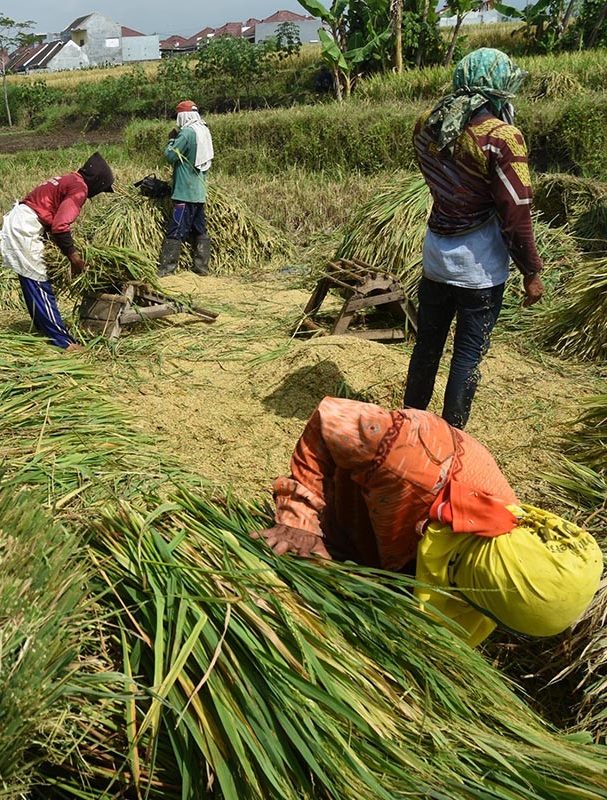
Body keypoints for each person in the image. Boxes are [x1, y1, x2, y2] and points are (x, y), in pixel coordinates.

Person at [251, 397, 601, 646]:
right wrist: (299, 517)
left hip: (393, 536)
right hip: (351, 506)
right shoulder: (408, 457)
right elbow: (330, 417)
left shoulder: (504, 553)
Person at [404, 48, 545, 430]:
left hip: (435, 257)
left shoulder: (425, 126)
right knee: (467, 355)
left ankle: (409, 426)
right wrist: (532, 272)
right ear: (498, 89)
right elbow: (516, 216)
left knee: (426, 348)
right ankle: (452, 439)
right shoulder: (502, 138)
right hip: (479, 268)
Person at [0, 151, 115, 351]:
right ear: (97, 182)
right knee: (39, 283)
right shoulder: (79, 188)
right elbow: (60, 226)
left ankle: (44, 328)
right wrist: (74, 258)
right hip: (25, 228)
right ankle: (64, 343)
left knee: (31, 283)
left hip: (20, 221)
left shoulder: (69, 178)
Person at [158, 100, 214, 278]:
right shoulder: (203, 130)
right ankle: (202, 266)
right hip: (199, 192)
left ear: (184, 116)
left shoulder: (187, 133)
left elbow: (169, 156)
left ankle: (167, 268)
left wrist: (172, 140)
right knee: (199, 228)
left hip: (184, 192)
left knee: (176, 228)